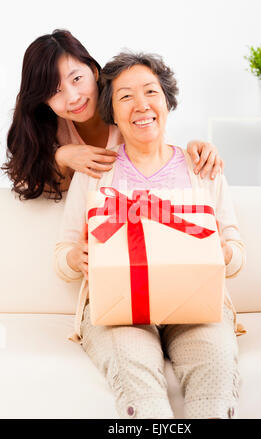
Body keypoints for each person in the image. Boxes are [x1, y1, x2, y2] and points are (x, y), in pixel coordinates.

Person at [54, 51, 246, 419]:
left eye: (151, 92)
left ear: (167, 100)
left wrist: (223, 253)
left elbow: (237, 252)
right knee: (136, 378)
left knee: (216, 370)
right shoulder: (96, 171)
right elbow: (62, 255)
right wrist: (74, 258)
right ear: (112, 110)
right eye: (125, 96)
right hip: (119, 311)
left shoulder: (201, 165)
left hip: (196, 308)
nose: (141, 105)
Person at [1, 29, 223, 200]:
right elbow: (27, 187)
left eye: (76, 79)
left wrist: (193, 151)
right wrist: (63, 157)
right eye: (54, 91)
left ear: (94, 70)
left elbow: (161, 164)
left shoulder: (125, 109)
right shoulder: (46, 125)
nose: (73, 97)